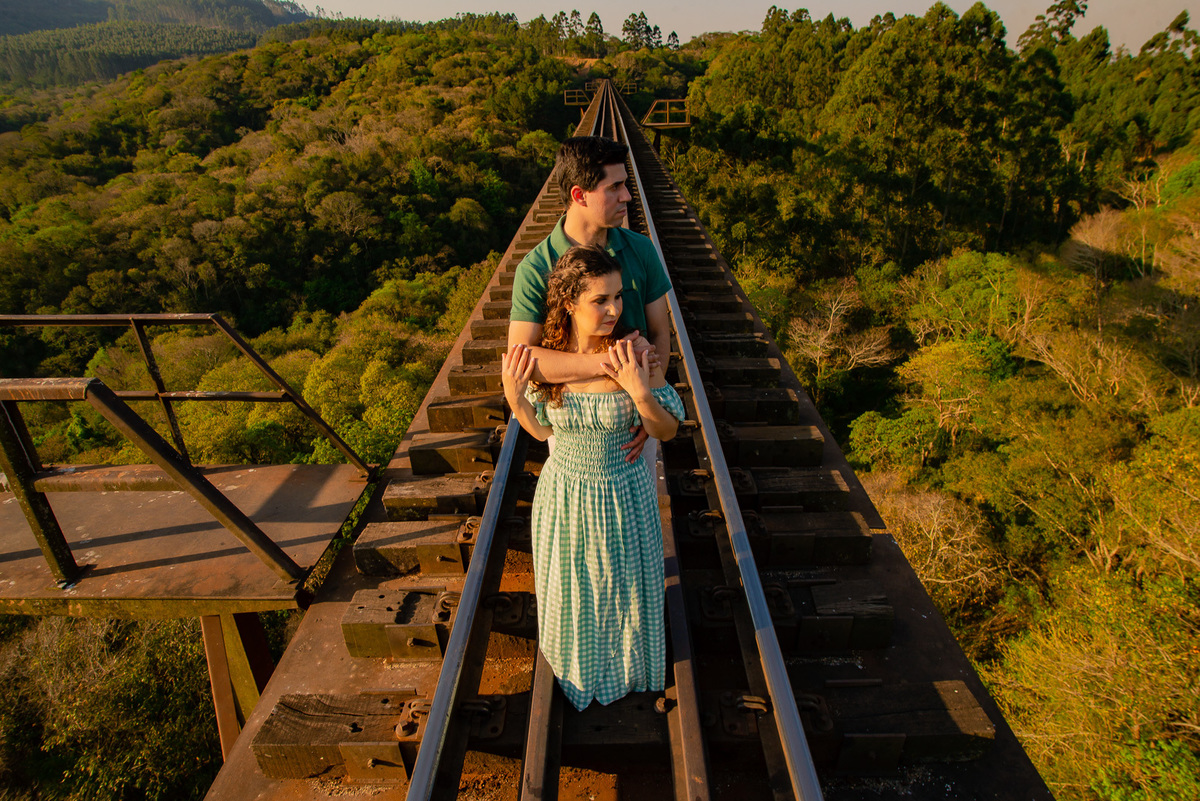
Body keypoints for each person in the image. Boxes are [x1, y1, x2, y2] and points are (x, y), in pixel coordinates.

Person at [501, 246, 685, 710]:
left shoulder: (634, 350)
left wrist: (642, 394)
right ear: (569, 304)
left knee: (623, 593)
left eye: (618, 297)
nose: (614, 309)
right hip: (563, 494)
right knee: (574, 593)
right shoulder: (553, 358)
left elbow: (668, 429)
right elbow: (542, 430)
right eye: (600, 300)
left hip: (622, 490)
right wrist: (516, 399)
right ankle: (577, 680)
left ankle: (629, 676)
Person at [508, 135, 673, 464]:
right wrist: (616, 365)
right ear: (578, 195)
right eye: (614, 188)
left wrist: (648, 405)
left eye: (625, 185)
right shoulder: (537, 267)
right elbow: (523, 361)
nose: (626, 196)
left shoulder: (640, 250)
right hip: (574, 426)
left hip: (633, 426)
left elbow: (660, 334)